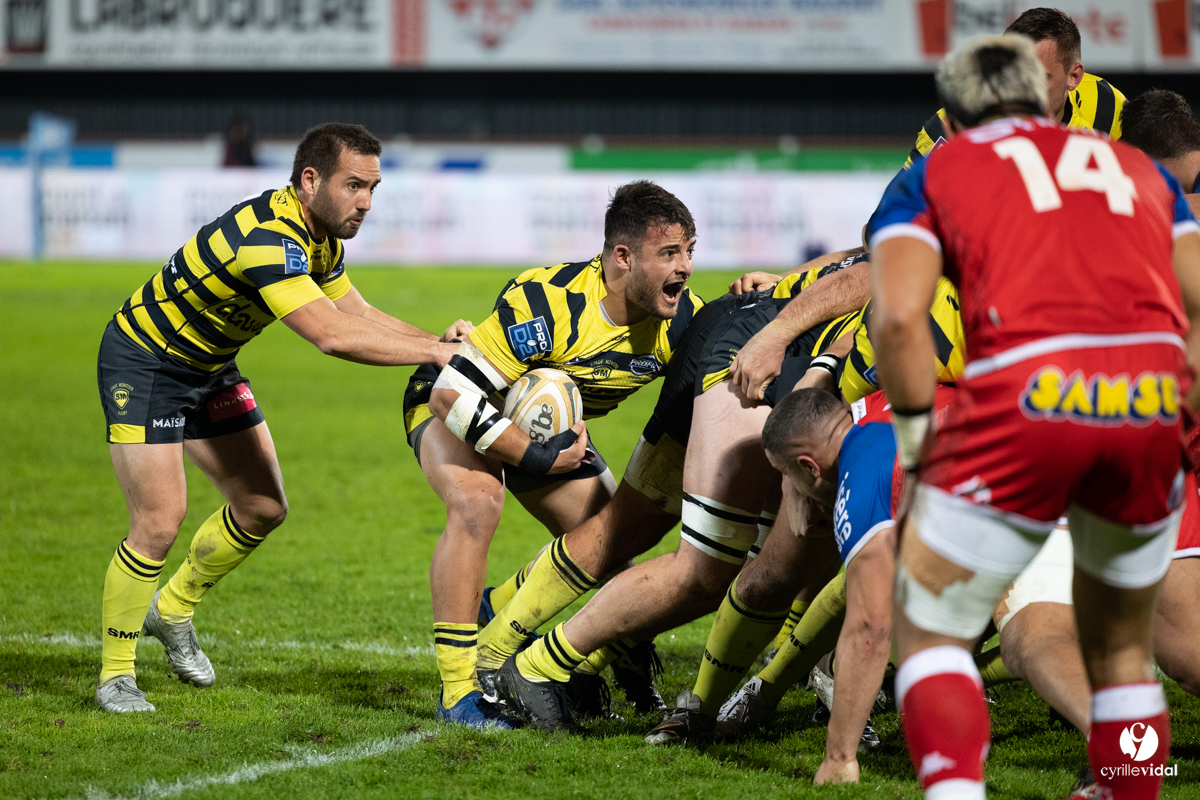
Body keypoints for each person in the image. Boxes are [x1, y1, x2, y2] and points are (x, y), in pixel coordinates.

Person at [869, 33, 1200, 800]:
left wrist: (919, 450)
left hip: (1025, 398)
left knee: (930, 622)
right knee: (1122, 650)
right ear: (1048, 96)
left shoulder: (937, 169)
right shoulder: (1136, 168)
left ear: (954, 113)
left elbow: (896, 321)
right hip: (1146, 407)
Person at [96, 123, 467, 713]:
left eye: (373, 187)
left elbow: (356, 311)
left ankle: (171, 611)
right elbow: (329, 335)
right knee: (160, 521)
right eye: (354, 186)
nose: (366, 202)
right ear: (310, 179)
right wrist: (434, 354)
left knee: (262, 507)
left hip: (210, 366)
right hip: (146, 365)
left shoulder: (321, 239)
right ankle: (116, 675)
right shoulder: (270, 237)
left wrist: (437, 340)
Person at [475, 255, 867, 733]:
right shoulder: (941, 254)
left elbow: (862, 257)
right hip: (761, 356)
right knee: (711, 570)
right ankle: (537, 668)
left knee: (630, 524)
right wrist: (783, 332)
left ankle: (521, 649)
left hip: (736, 325)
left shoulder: (924, 233)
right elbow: (875, 271)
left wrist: (788, 288)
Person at [407, 181, 701, 729]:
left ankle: (547, 640)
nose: (684, 267)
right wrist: (538, 459)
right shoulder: (551, 302)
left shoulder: (680, 322)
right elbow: (452, 393)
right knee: (477, 501)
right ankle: (458, 691)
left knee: (611, 547)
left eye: (689, 251)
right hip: (455, 402)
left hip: (545, 426)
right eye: (669, 253)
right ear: (622, 256)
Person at [907, 7, 1124, 167]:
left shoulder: (1108, 107)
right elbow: (895, 213)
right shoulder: (955, 122)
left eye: (1037, 78)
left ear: (1074, 76)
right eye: (1009, 75)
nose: (1020, 93)